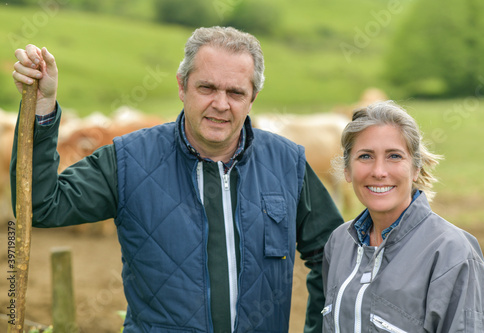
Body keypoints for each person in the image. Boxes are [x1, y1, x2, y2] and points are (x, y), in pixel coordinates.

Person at [10, 26, 344, 332]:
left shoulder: (287, 163)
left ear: (252, 97)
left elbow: (335, 259)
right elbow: (42, 205)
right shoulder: (129, 159)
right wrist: (41, 110)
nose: (221, 104)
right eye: (207, 87)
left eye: (236, 92)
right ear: (182, 86)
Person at [322, 100, 484, 332]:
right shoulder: (338, 243)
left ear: (416, 168)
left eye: (394, 156)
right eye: (365, 156)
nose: (379, 171)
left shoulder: (452, 252)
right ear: (347, 170)